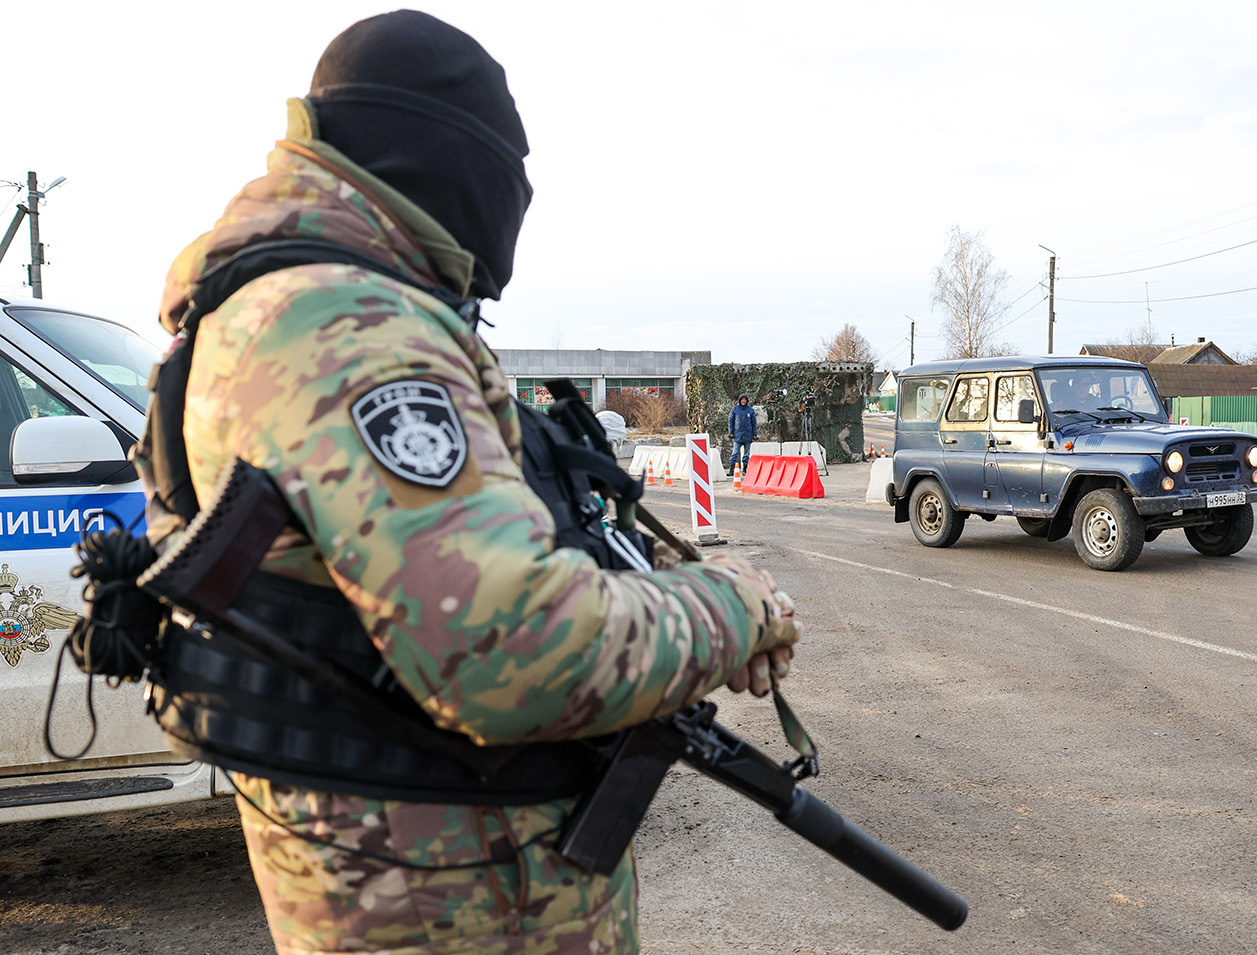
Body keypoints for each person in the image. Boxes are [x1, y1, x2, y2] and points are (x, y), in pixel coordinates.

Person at [134, 12, 800, 955]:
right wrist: (734, 605)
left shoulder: (312, 302)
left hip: (446, 884)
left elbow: (479, 553)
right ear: (445, 154)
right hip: (448, 906)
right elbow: (515, 646)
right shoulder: (349, 328)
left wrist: (664, 603)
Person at [727, 393, 757, 476]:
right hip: (738, 435)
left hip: (748, 435)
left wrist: (755, 434)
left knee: (746, 454)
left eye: (745, 400)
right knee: (735, 453)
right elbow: (731, 421)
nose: (743, 401)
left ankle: (745, 469)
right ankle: (731, 469)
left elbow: (754, 423)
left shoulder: (750, 410)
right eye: (742, 399)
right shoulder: (735, 409)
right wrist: (731, 432)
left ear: (747, 401)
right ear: (740, 400)